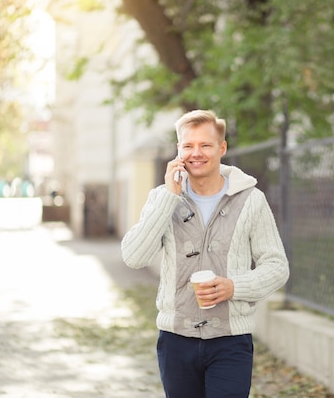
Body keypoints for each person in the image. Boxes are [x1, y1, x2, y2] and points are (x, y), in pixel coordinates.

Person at [121, 109, 289, 398]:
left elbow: (277, 266)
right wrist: (169, 196)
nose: (195, 153)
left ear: (221, 148)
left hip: (230, 340)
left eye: (205, 145)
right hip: (175, 340)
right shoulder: (162, 198)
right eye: (188, 146)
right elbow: (134, 257)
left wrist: (235, 286)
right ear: (178, 150)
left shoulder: (251, 199)